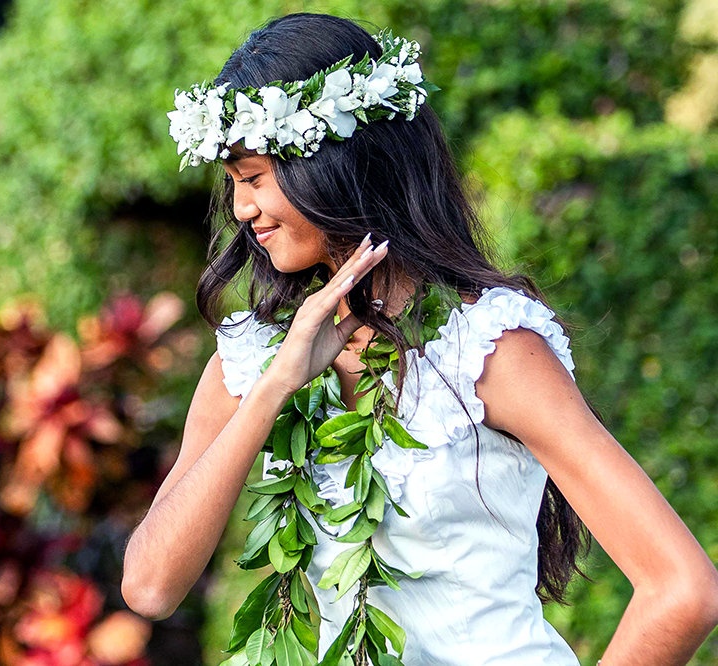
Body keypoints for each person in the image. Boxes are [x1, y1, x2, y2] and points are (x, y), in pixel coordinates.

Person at [121, 12, 718, 665]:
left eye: (256, 178)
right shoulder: (252, 359)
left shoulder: (491, 351)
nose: (241, 210)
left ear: (336, 161)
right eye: (233, 183)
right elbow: (150, 588)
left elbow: (681, 590)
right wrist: (273, 389)